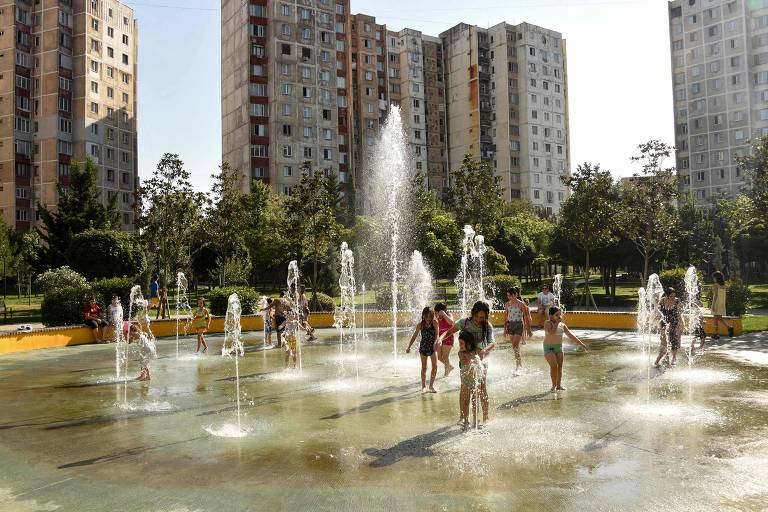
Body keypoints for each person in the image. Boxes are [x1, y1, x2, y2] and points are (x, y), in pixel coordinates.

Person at [438, 301, 495, 425]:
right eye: (478, 317)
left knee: (482, 388)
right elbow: (448, 332)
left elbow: (492, 343)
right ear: (473, 313)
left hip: (480, 360)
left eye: (483, 317)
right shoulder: (464, 322)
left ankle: (485, 417)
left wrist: (484, 351)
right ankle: (463, 417)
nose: (480, 319)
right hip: (465, 360)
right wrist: (440, 339)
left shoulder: (487, 326)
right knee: (465, 389)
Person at [543, 306, 588, 392]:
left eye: (560, 315)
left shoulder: (562, 325)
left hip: (559, 347)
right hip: (548, 347)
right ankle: (553, 385)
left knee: (559, 367)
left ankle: (559, 385)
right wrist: (556, 323)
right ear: (551, 316)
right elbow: (552, 332)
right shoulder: (547, 323)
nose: (559, 317)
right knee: (554, 366)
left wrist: (581, 344)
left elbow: (570, 335)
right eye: (557, 315)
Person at [406, 306, 440, 393]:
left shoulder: (435, 323)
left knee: (435, 366)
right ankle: (423, 386)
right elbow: (414, 336)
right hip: (424, 347)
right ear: (423, 315)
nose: (428, 318)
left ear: (432, 316)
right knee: (424, 367)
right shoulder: (420, 325)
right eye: (426, 316)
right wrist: (409, 346)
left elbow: (437, 334)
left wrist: (436, 342)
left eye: (430, 316)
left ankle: (431, 386)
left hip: (433, 347)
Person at [457, 331, 485, 430]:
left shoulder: (475, 351)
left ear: (469, 343)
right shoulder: (460, 353)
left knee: (475, 401)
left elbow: (482, 355)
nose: (460, 346)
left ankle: (476, 420)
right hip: (466, 381)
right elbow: (465, 362)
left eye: (461, 343)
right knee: (465, 401)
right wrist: (473, 361)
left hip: (475, 380)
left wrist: (479, 360)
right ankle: (466, 420)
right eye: (459, 343)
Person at [504, 287, 533, 372]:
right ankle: (519, 363)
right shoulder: (507, 304)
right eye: (508, 296)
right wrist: (504, 329)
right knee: (515, 347)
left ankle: (518, 365)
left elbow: (526, 317)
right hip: (510, 325)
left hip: (518, 325)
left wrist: (529, 330)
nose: (509, 297)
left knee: (515, 346)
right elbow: (505, 317)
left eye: (511, 295)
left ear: (515, 295)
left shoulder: (521, 304)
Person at [654, 288, 682, 368]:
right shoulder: (662, 301)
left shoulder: (677, 301)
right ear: (667, 295)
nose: (673, 298)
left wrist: (680, 324)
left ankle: (673, 358)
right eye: (671, 296)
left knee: (674, 341)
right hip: (664, 324)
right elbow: (658, 313)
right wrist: (658, 324)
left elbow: (679, 314)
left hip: (674, 323)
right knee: (665, 343)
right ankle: (664, 360)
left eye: (674, 296)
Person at [711, 271, 734, 339]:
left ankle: (716, 333)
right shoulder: (724, 286)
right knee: (718, 318)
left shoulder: (715, 285)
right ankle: (728, 328)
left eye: (714, 277)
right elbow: (724, 295)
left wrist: (713, 305)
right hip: (722, 303)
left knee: (716, 318)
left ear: (716, 278)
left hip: (716, 302)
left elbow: (715, 295)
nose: (713, 279)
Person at [434, 303, 455, 376]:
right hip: (440, 338)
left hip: (448, 337)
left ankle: (446, 373)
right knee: (439, 357)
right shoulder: (436, 316)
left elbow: (451, 322)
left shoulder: (449, 314)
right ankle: (449, 366)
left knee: (445, 357)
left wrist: (444, 314)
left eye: (437, 311)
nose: (436, 313)